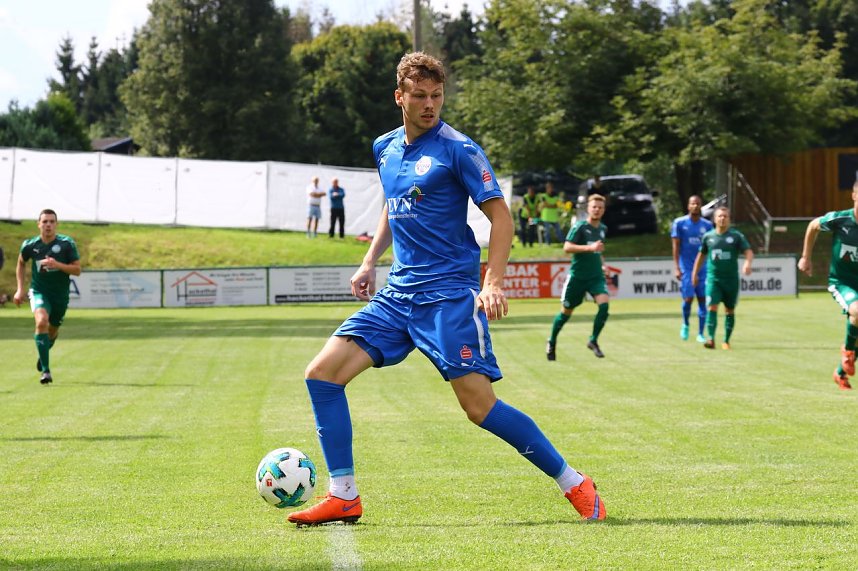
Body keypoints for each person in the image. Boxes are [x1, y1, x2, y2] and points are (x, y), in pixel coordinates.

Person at [286, 52, 606, 527]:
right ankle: (344, 495)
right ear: (400, 97)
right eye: (419, 96)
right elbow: (394, 208)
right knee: (322, 375)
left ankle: (574, 483)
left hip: (449, 297)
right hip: (397, 295)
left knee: (479, 408)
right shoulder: (385, 148)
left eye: (436, 96)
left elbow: (501, 216)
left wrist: (492, 283)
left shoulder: (460, 148)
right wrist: (370, 260)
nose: (429, 104)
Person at [797, 178, 858, 390]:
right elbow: (813, 226)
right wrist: (806, 257)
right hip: (841, 282)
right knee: (857, 311)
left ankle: (840, 373)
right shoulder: (840, 219)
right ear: (854, 196)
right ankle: (848, 353)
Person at [13, 209, 81, 385]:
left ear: (56, 225)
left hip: (60, 295)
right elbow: (21, 263)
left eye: (51, 221)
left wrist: (57, 264)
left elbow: (77, 270)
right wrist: (20, 290)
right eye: (45, 222)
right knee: (41, 321)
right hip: (39, 291)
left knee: (52, 330)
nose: (48, 225)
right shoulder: (30, 245)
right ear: (39, 224)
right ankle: (46, 371)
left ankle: (45, 349)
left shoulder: (67, 244)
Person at [546, 194, 610, 361]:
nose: (597, 209)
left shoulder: (602, 228)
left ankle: (593, 340)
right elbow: (567, 247)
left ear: (604, 210)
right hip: (577, 278)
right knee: (565, 313)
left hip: (596, 276)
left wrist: (603, 265)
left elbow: (598, 251)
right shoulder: (580, 227)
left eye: (600, 207)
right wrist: (590, 248)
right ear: (588, 208)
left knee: (604, 306)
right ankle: (552, 341)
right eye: (594, 206)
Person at [691, 206, 753, 350]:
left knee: (729, 310)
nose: (722, 218)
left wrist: (747, 263)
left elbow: (748, 251)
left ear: (729, 219)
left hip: (731, 280)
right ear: (714, 219)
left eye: (725, 216)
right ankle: (711, 339)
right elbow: (701, 256)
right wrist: (694, 274)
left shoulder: (736, 236)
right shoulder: (708, 237)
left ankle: (726, 340)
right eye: (719, 216)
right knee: (712, 306)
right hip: (714, 279)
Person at [671, 195, 713, 343]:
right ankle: (686, 324)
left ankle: (701, 333)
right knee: (688, 298)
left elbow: (711, 247)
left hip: (703, 268)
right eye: (692, 203)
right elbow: (676, 247)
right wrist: (677, 267)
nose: (695, 206)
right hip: (687, 267)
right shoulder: (679, 223)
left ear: (700, 206)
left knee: (702, 299)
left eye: (697, 204)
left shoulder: (707, 225)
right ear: (688, 206)